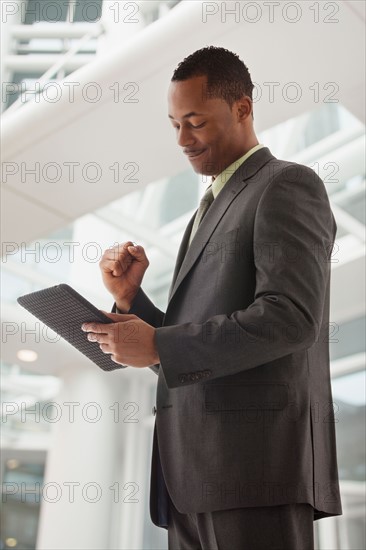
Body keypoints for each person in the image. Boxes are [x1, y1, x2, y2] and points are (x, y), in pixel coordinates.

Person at [82, 47, 342, 549]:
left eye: (195, 121)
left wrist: (160, 345)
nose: (183, 139)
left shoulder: (286, 184)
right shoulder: (207, 208)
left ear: (243, 108)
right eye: (175, 123)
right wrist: (132, 303)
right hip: (191, 479)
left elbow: (291, 318)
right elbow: (199, 353)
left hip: (252, 474)